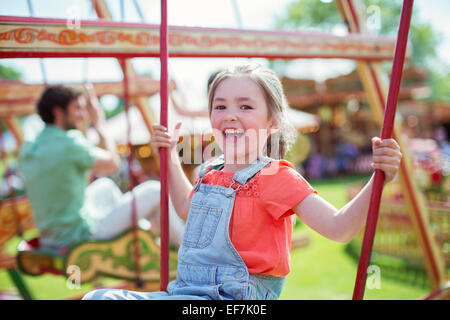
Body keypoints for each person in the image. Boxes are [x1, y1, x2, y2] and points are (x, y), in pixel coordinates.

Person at [83, 63, 402, 300]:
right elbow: (184, 209)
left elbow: (339, 227)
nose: (230, 115)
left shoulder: (277, 177)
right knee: (99, 298)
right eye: (220, 106)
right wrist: (167, 155)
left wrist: (379, 179)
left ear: (273, 121)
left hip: (237, 300)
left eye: (245, 106)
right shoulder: (210, 171)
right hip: (190, 295)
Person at [19, 84, 185, 254]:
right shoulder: (69, 143)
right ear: (57, 112)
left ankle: (144, 229)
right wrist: (100, 123)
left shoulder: (29, 145)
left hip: (51, 236)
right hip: (80, 236)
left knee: (105, 187)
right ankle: (184, 247)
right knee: (154, 190)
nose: (83, 115)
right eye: (77, 108)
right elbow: (113, 164)